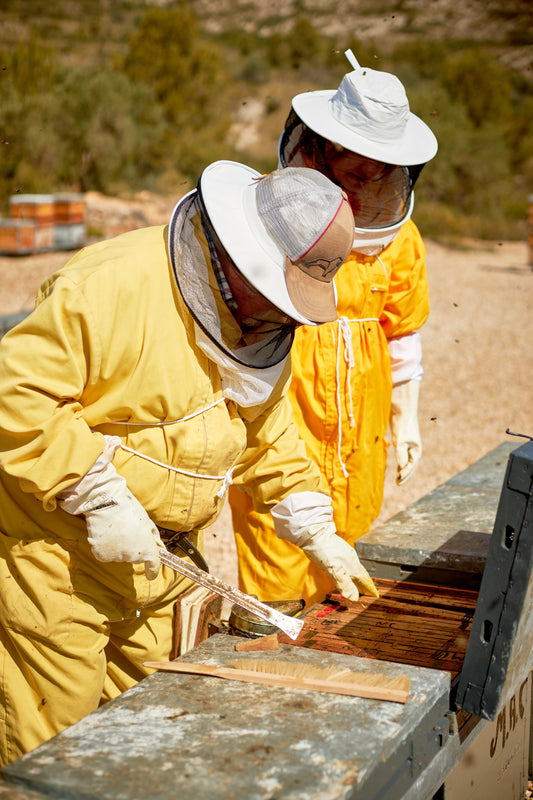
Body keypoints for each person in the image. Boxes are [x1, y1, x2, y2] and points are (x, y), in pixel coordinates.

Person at [0, 160, 378, 766]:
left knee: (151, 728)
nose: (282, 316)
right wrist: (95, 493)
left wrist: (315, 526)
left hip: (163, 565)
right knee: (55, 744)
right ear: (241, 257)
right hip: (58, 558)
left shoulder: (257, 327)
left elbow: (265, 429)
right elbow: (17, 396)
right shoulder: (110, 286)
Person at [230, 51, 438, 606]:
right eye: (355, 155)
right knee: (278, 543)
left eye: (380, 161)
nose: (368, 171)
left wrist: (406, 418)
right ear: (322, 144)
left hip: (362, 416)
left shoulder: (401, 237)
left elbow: (403, 331)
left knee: (350, 545)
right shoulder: (270, 211)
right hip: (284, 397)